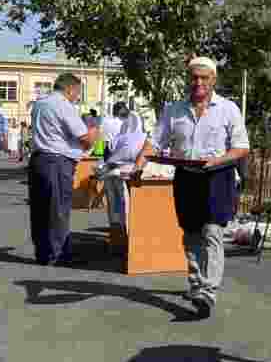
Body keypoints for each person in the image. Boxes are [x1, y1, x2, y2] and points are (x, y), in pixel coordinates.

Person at [134, 57, 249, 318]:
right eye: (194, 77)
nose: (198, 82)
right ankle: (197, 285)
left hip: (217, 176)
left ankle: (208, 291)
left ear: (213, 80)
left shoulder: (228, 109)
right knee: (191, 234)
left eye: (204, 78)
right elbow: (155, 141)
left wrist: (218, 160)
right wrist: (139, 165)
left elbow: (242, 147)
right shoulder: (174, 110)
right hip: (186, 177)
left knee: (212, 232)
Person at [28, 73, 99, 265]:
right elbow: (85, 138)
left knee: (40, 210)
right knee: (58, 209)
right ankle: (58, 254)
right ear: (70, 89)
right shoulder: (63, 105)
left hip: (39, 159)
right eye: (77, 92)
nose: (77, 96)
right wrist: (94, 128)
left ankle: (44, 253)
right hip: (57, 161)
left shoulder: (40, 103)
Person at [95, 128, 147, 256]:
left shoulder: (105, 128)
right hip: (124, 172)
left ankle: (118, 243)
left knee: (115, 211)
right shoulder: (141, 136)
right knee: (125, 210)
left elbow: (99, 152)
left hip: (111, 170)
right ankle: (125, 243)